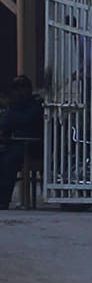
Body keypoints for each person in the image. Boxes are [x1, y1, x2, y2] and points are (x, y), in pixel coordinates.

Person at [0, 75, 44, 209]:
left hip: (32, 147)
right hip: (14, 144)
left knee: (9, 161)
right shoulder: (13, 106)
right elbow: (6, 125)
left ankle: (3, 201)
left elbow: (27, 120)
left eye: (23, 88)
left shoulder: (36, 105)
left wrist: (13, 119)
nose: (20, 91)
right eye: (17, 88)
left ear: (29, 89)